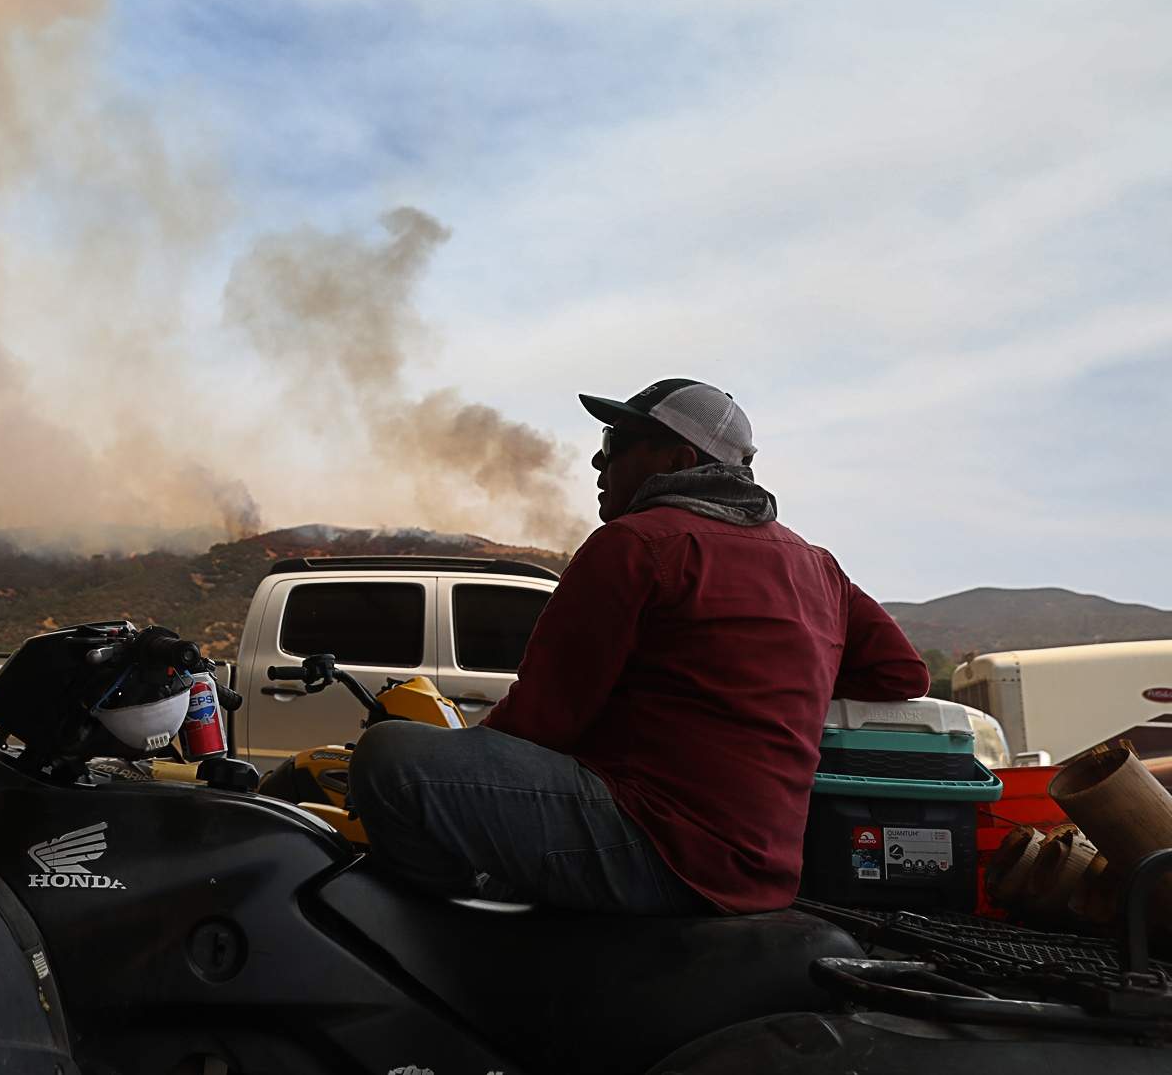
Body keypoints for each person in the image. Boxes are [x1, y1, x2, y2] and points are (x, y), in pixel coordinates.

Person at [350, 378, 929, 915]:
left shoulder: (636, 544)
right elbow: (902, 674)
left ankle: (439, 946)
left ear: (679, 461)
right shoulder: (817, 565)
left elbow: (539, 724)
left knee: (391, 760)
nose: (600, 460)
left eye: (620, 442)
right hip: (764, 867)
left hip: (658, 844)